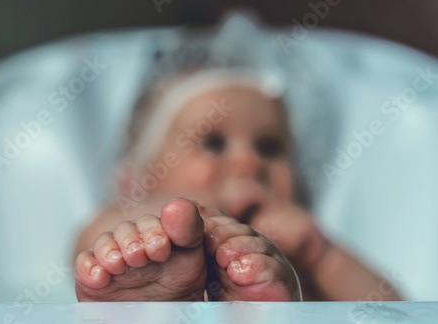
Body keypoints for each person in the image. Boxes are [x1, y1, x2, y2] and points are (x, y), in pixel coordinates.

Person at [73, 38, 402, 302]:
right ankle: (152, 290)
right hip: (153, 261)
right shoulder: (125, 215)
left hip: (291, 288)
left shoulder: (302, 253)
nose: (249, 162)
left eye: (269, 147)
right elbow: (90, 239)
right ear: (134, 181)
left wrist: (321, 255)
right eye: (213, 143)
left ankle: (275, 299)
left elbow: (399, 311)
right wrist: (169, 231)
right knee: (117, 248)